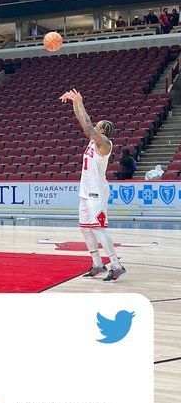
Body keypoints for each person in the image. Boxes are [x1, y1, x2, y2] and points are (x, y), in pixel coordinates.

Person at [60, 88, 125, 282]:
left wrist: (80, 102)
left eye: (98, 126)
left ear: (103, 130)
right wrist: (74, 102)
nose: (94, 126)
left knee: (98, 228)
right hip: (85, 191)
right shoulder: (93, 140)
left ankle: (116, 265)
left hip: (97, 191)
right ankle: (97, 263)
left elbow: (88, 126)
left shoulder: (104, 143)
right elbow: (84, 120)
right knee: (85, 228)